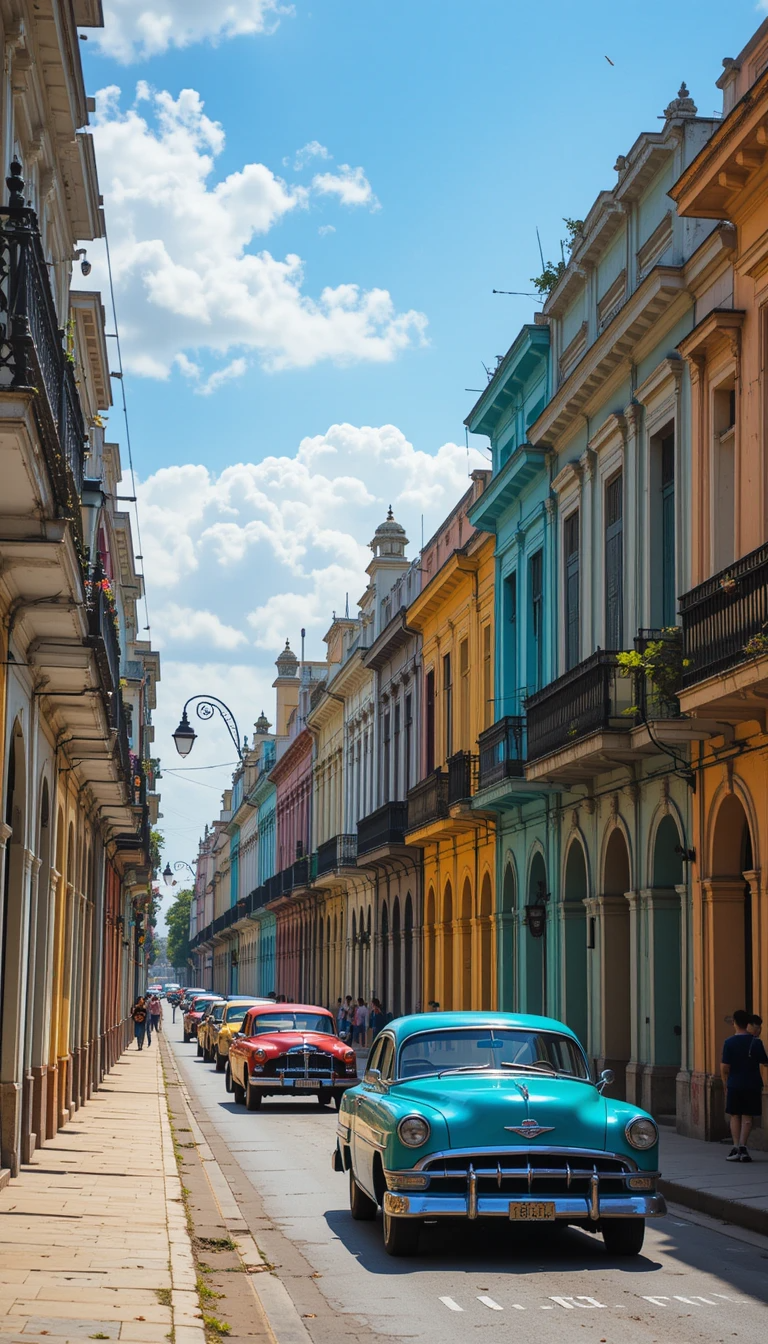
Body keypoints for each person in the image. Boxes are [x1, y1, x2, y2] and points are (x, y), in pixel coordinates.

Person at [721, 1009, 768, 1161]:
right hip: (752, 1084)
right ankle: (743, 1146)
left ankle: (735, 1147)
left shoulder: (729, 1042)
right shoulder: (756, 1042)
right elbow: (765, 1061)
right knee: (747, 1117)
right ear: (748, 1024)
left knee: (735, 1115)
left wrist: (725, 1083)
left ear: (734, 1023)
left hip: (734, 1083)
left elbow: (724, 1067)